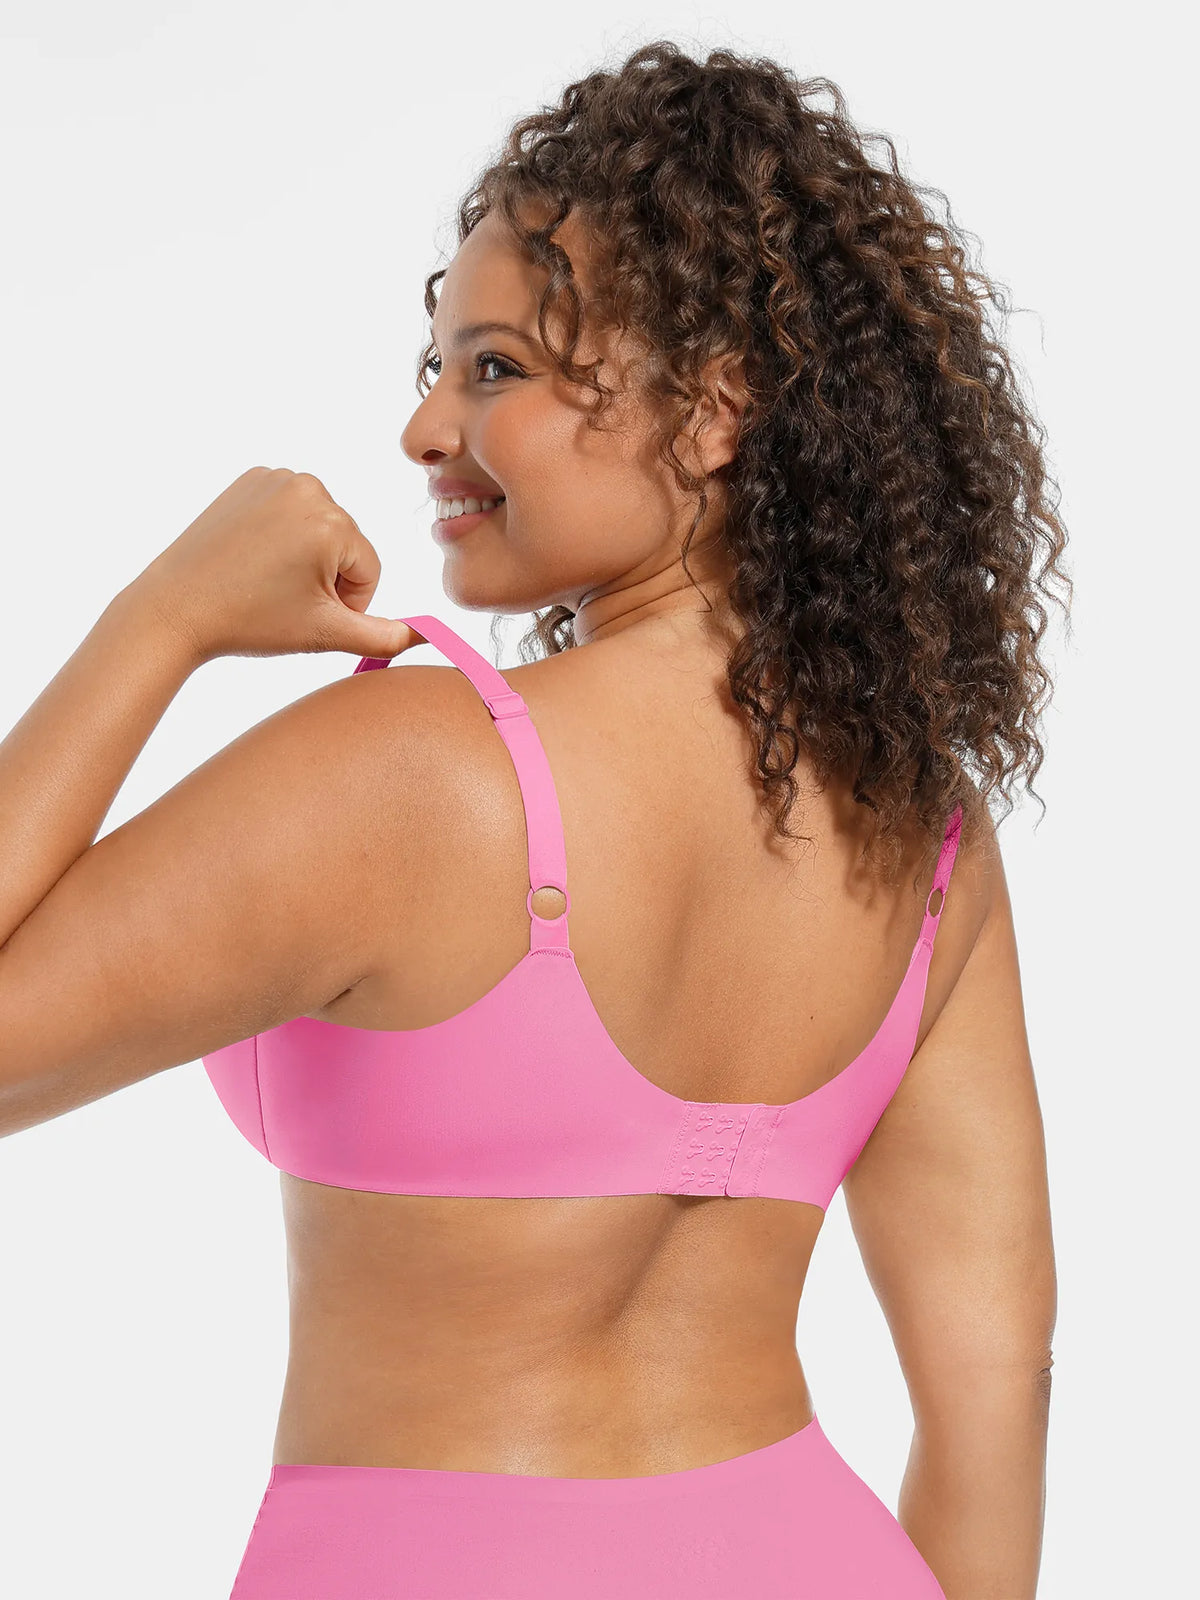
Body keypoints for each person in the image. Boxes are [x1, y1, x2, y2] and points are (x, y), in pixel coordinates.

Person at [0, 40, 1065, 1600]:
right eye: (436, 366)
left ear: (714, 409)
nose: (427, 430)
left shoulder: (415, 778)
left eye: (494, 369)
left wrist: (160, 619)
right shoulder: (924, 834)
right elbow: (997, 1387)